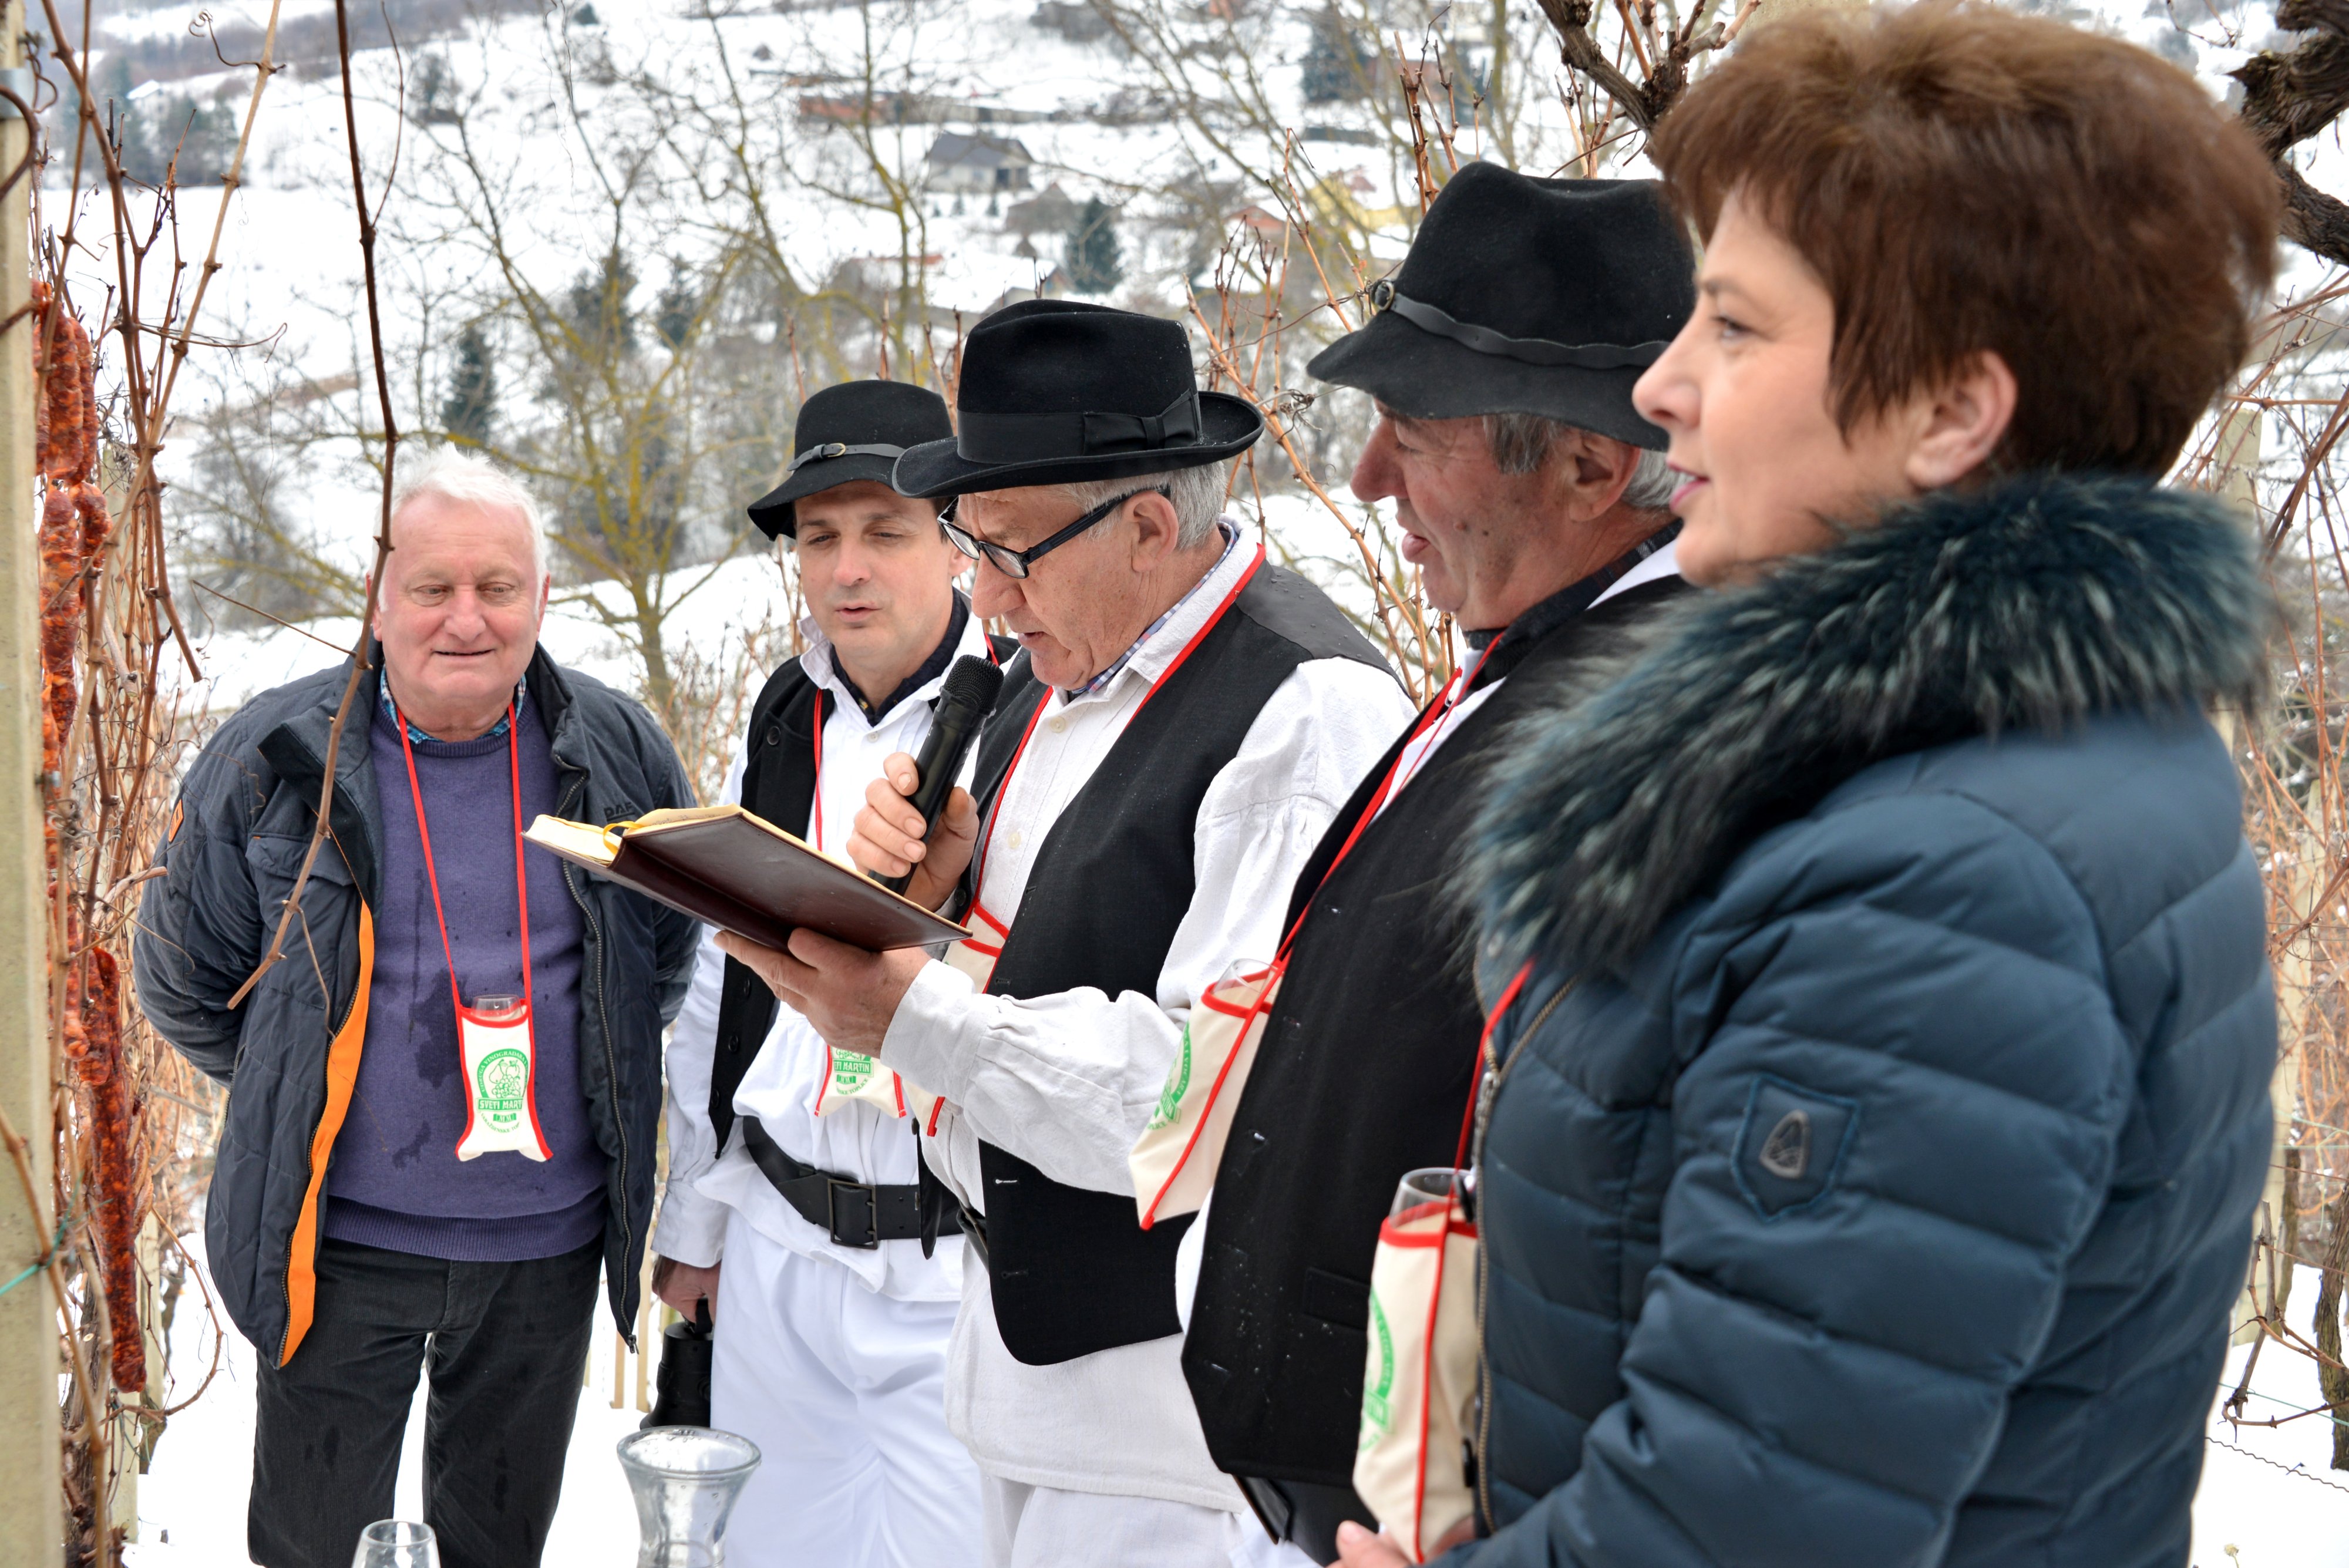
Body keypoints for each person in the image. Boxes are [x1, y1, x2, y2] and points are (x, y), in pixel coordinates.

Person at [1333, 5, 2283, 1564]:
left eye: (1732, 328)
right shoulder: (1995, 754)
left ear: (1952, 412)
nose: (1659, 387)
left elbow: (1747, 1519)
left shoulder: (1945, 883)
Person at [714, 298, 1419, 1567]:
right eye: (970, 544)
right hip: (1021, 1366)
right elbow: (1051, 958)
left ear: (1147, 526)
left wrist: (906, 1013)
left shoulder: (1304, 713)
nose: (985, 594)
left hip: (1170, 1425)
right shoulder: (1060, 667)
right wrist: (932, 910)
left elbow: (1202, 1101)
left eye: (1011, 552)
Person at [1178, 164, 1695, 1565]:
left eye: (1411, 433)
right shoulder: (1547, 658)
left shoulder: (1640, 727)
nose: (1364, 478)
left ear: (1589, 468)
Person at [133, 452, 699, 1568]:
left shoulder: (619, 749)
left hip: (543, 1251)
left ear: (543, 597)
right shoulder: (278, 756)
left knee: (499, 1548)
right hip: (335, 1245)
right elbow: (185, 975)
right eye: (433, 586)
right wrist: (306, 1080)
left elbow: (659, 964)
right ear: (379, 596)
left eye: (498, 587)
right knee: (312, 1549)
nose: (466, 618)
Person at [652, 379, 1008, 1567]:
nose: (848, 568)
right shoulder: (782, 715)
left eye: (884, 531)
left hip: (952, 1269)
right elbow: (724, 987)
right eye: (818, 538)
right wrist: (696, 1219)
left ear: (954, 542)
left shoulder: (1027, 709)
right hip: (781, 1253)